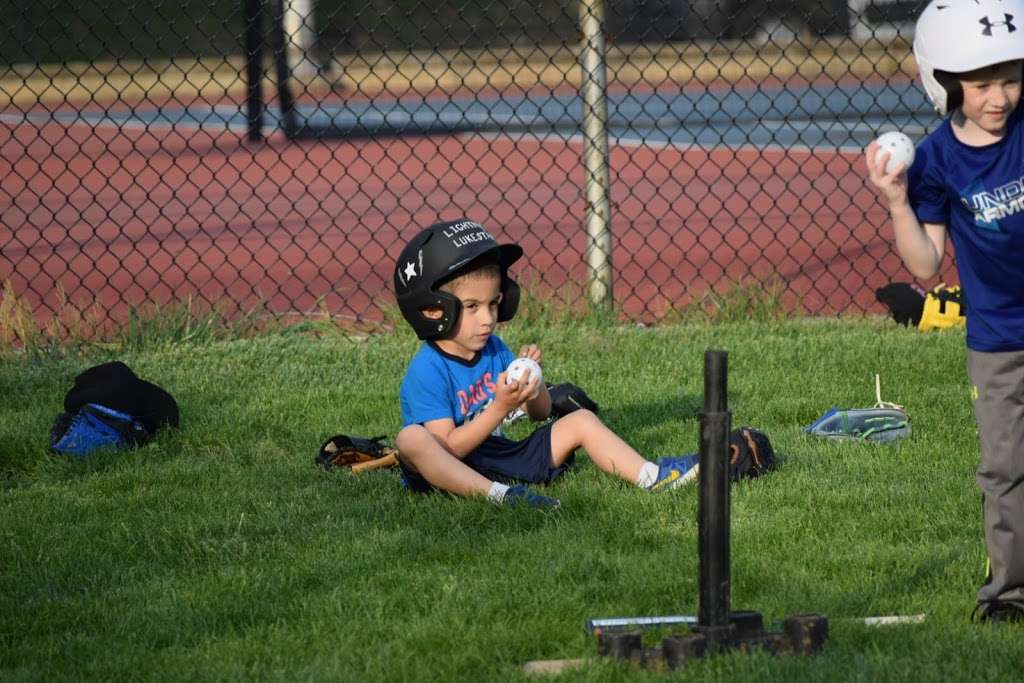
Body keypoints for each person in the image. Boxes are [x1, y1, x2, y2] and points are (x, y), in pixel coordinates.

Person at [866, 0, 1024, 622]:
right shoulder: (934, 159)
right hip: (998, 341)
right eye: (983, 83)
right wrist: (898, 202)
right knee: (1006, 469)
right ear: (946, 81)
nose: (1000, 96)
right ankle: (1008, 596)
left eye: (1011, 78)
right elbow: (926, 265)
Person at [391, 218, 698, 508]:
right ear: (432, 311)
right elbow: (451, 449)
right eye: (472, 307)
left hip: (495, 456)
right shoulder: (427, 371)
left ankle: (653, 476)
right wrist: (499, 408)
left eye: (493, 304)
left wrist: (533, 384)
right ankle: (501, 496)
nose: (488, 320)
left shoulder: (495, 349)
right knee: (411, 439)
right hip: (447, 470)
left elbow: (539, 414)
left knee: (580, 421)